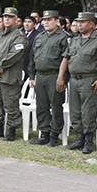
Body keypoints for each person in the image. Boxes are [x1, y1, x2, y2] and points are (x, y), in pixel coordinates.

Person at [57, 12, 97, 154]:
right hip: (74, 79)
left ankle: (88, 140)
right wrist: (61, 77)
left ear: (92, 24)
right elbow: (66, 59)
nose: (79, 25)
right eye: (78, 22)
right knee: (75, 110)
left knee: (88, 111)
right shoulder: (74, 40)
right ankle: (79, 138)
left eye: (83, 22)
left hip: (89, 79)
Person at [0, 7, 28, 140]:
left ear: (16, 20)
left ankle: (11, 131)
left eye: (10, 17)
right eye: (5, 17)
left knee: (11, 105)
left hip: (9, 77)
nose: (6, 19)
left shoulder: (19, 36)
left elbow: (15, 55)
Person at [27, 10, 69, 146]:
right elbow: (32, 58)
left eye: (49, 20)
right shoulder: (40, 37)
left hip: (54, 75)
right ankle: (44, 133)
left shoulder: (64, 37)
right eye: (44, 20)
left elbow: (67, 58)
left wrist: (62, 78)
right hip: (40, 75)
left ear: (57, 21)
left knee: (56, 106)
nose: (45, 22)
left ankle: (54, 135)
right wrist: (32, 76)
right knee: (42, 106)